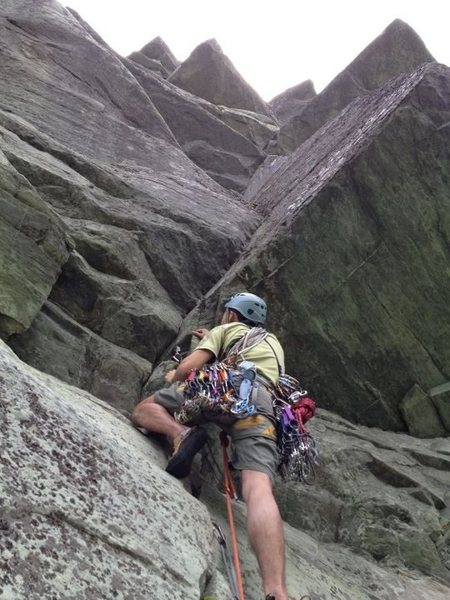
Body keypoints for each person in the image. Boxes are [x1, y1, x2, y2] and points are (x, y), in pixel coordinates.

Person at [132, 292, 289, 600]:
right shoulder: (274, 346)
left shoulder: (226, 330)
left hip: (223, 389)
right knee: (259, 490)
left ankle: (179, 434)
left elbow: (187, 368)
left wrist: (174, 373)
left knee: (144, 409)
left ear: (232, 315)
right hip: (262, 406)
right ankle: (277, 591)